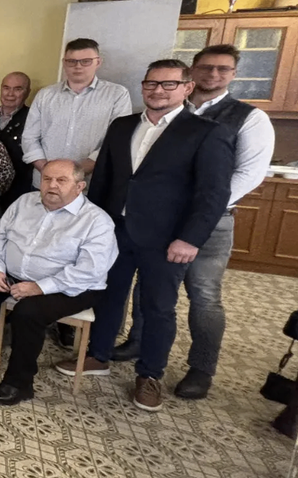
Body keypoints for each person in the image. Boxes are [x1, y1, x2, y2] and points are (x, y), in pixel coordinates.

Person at [54, 59, 233, 413]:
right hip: (116, 231)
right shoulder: (121, 126)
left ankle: (149, 375)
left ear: (187, 87)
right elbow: (103, 179)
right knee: (107, 295)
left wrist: (190, 239)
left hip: (167, 239)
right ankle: (99, 355)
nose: (157, 91)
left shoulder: (206, 131)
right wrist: (95, 227)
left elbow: (213, 194)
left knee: (157, 308)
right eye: (151, 83)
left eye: (168, 84)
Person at [110, 45, 274, 399]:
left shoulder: (239, 120)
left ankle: (187, 371)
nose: (213, 75)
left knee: (198, 298)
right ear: (194, 73)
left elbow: (231, 183)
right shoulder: (134, 123)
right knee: (132, 294)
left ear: (184, 86)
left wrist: (192, 230)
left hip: (193, 228)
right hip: (132, 227)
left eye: (223, 69)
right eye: (206, 68)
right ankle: (125, 349)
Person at [0, 160, 117, 406]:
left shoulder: (97, 221)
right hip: (13, 275)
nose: (52, 185)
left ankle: (19, 383)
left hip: (72, 287)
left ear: (80, 186)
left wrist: (40, 287)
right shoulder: (25, 202)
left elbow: (89, 271)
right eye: (47, 179)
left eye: (61, 180)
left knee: (28, 312)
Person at [22, 38, 132, 188]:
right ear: (64, 62)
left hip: (90, 184)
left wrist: (76, 174)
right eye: (71, 61)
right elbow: (29, 138)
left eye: (85, 61)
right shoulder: (45, 95)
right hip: (46, 182)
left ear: (98, 62)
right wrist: (48, 171)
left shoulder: (117, 94)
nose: (78, 66)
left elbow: (115, 141)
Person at [0, 72, 34, 210]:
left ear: (27, 92)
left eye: (18, 89)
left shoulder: (33, 118)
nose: (10, 94)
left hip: (17, 190)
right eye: (6, 88)